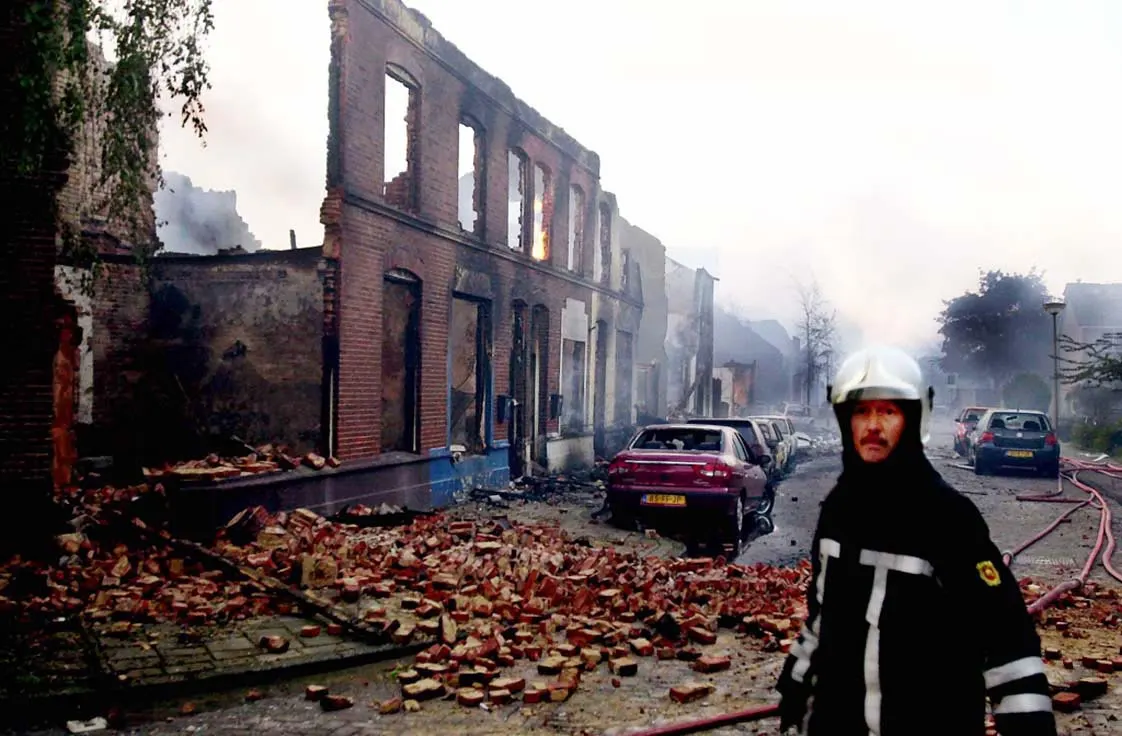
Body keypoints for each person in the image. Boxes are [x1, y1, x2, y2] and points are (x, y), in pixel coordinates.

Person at [775, 346, 1056, 736]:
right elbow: (822, 616)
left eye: (888, 412)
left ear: (912, 419)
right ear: (845, 421)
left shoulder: (947, 516)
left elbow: (1005, 637)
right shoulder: (837, 511)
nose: (873, 425)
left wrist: (1029, 726)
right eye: (862, 411)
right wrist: (796, 682)